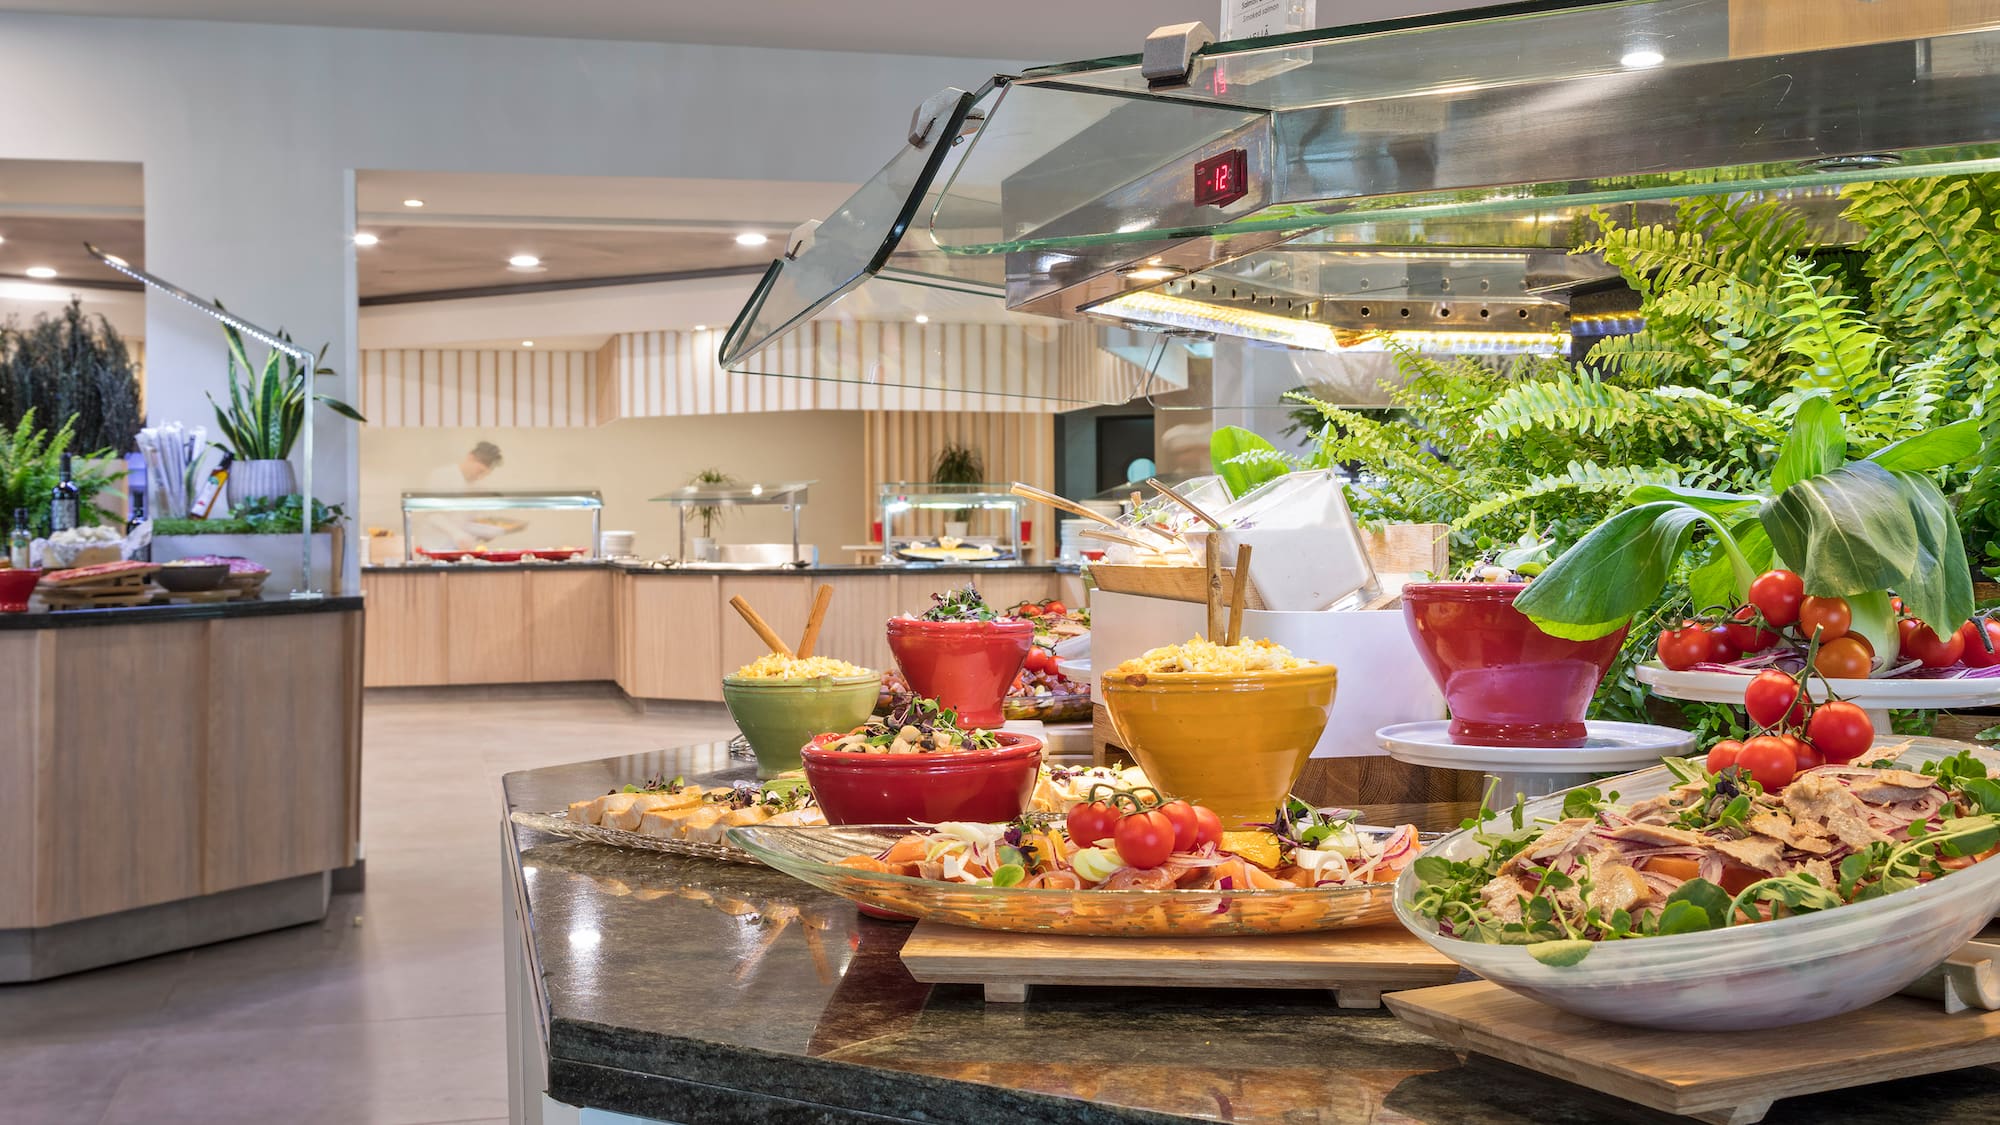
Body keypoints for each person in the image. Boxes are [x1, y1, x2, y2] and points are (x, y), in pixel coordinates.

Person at [418, 441, 509, 550]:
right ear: (470, 457)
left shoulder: (477, 486)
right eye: (480, 471)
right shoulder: (442, 475)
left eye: (485, 474)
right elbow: (432, 514)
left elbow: (471, 520)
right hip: (435, 545)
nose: (480, 477)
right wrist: (455, 533)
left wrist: (486, 532)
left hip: (462, 547)